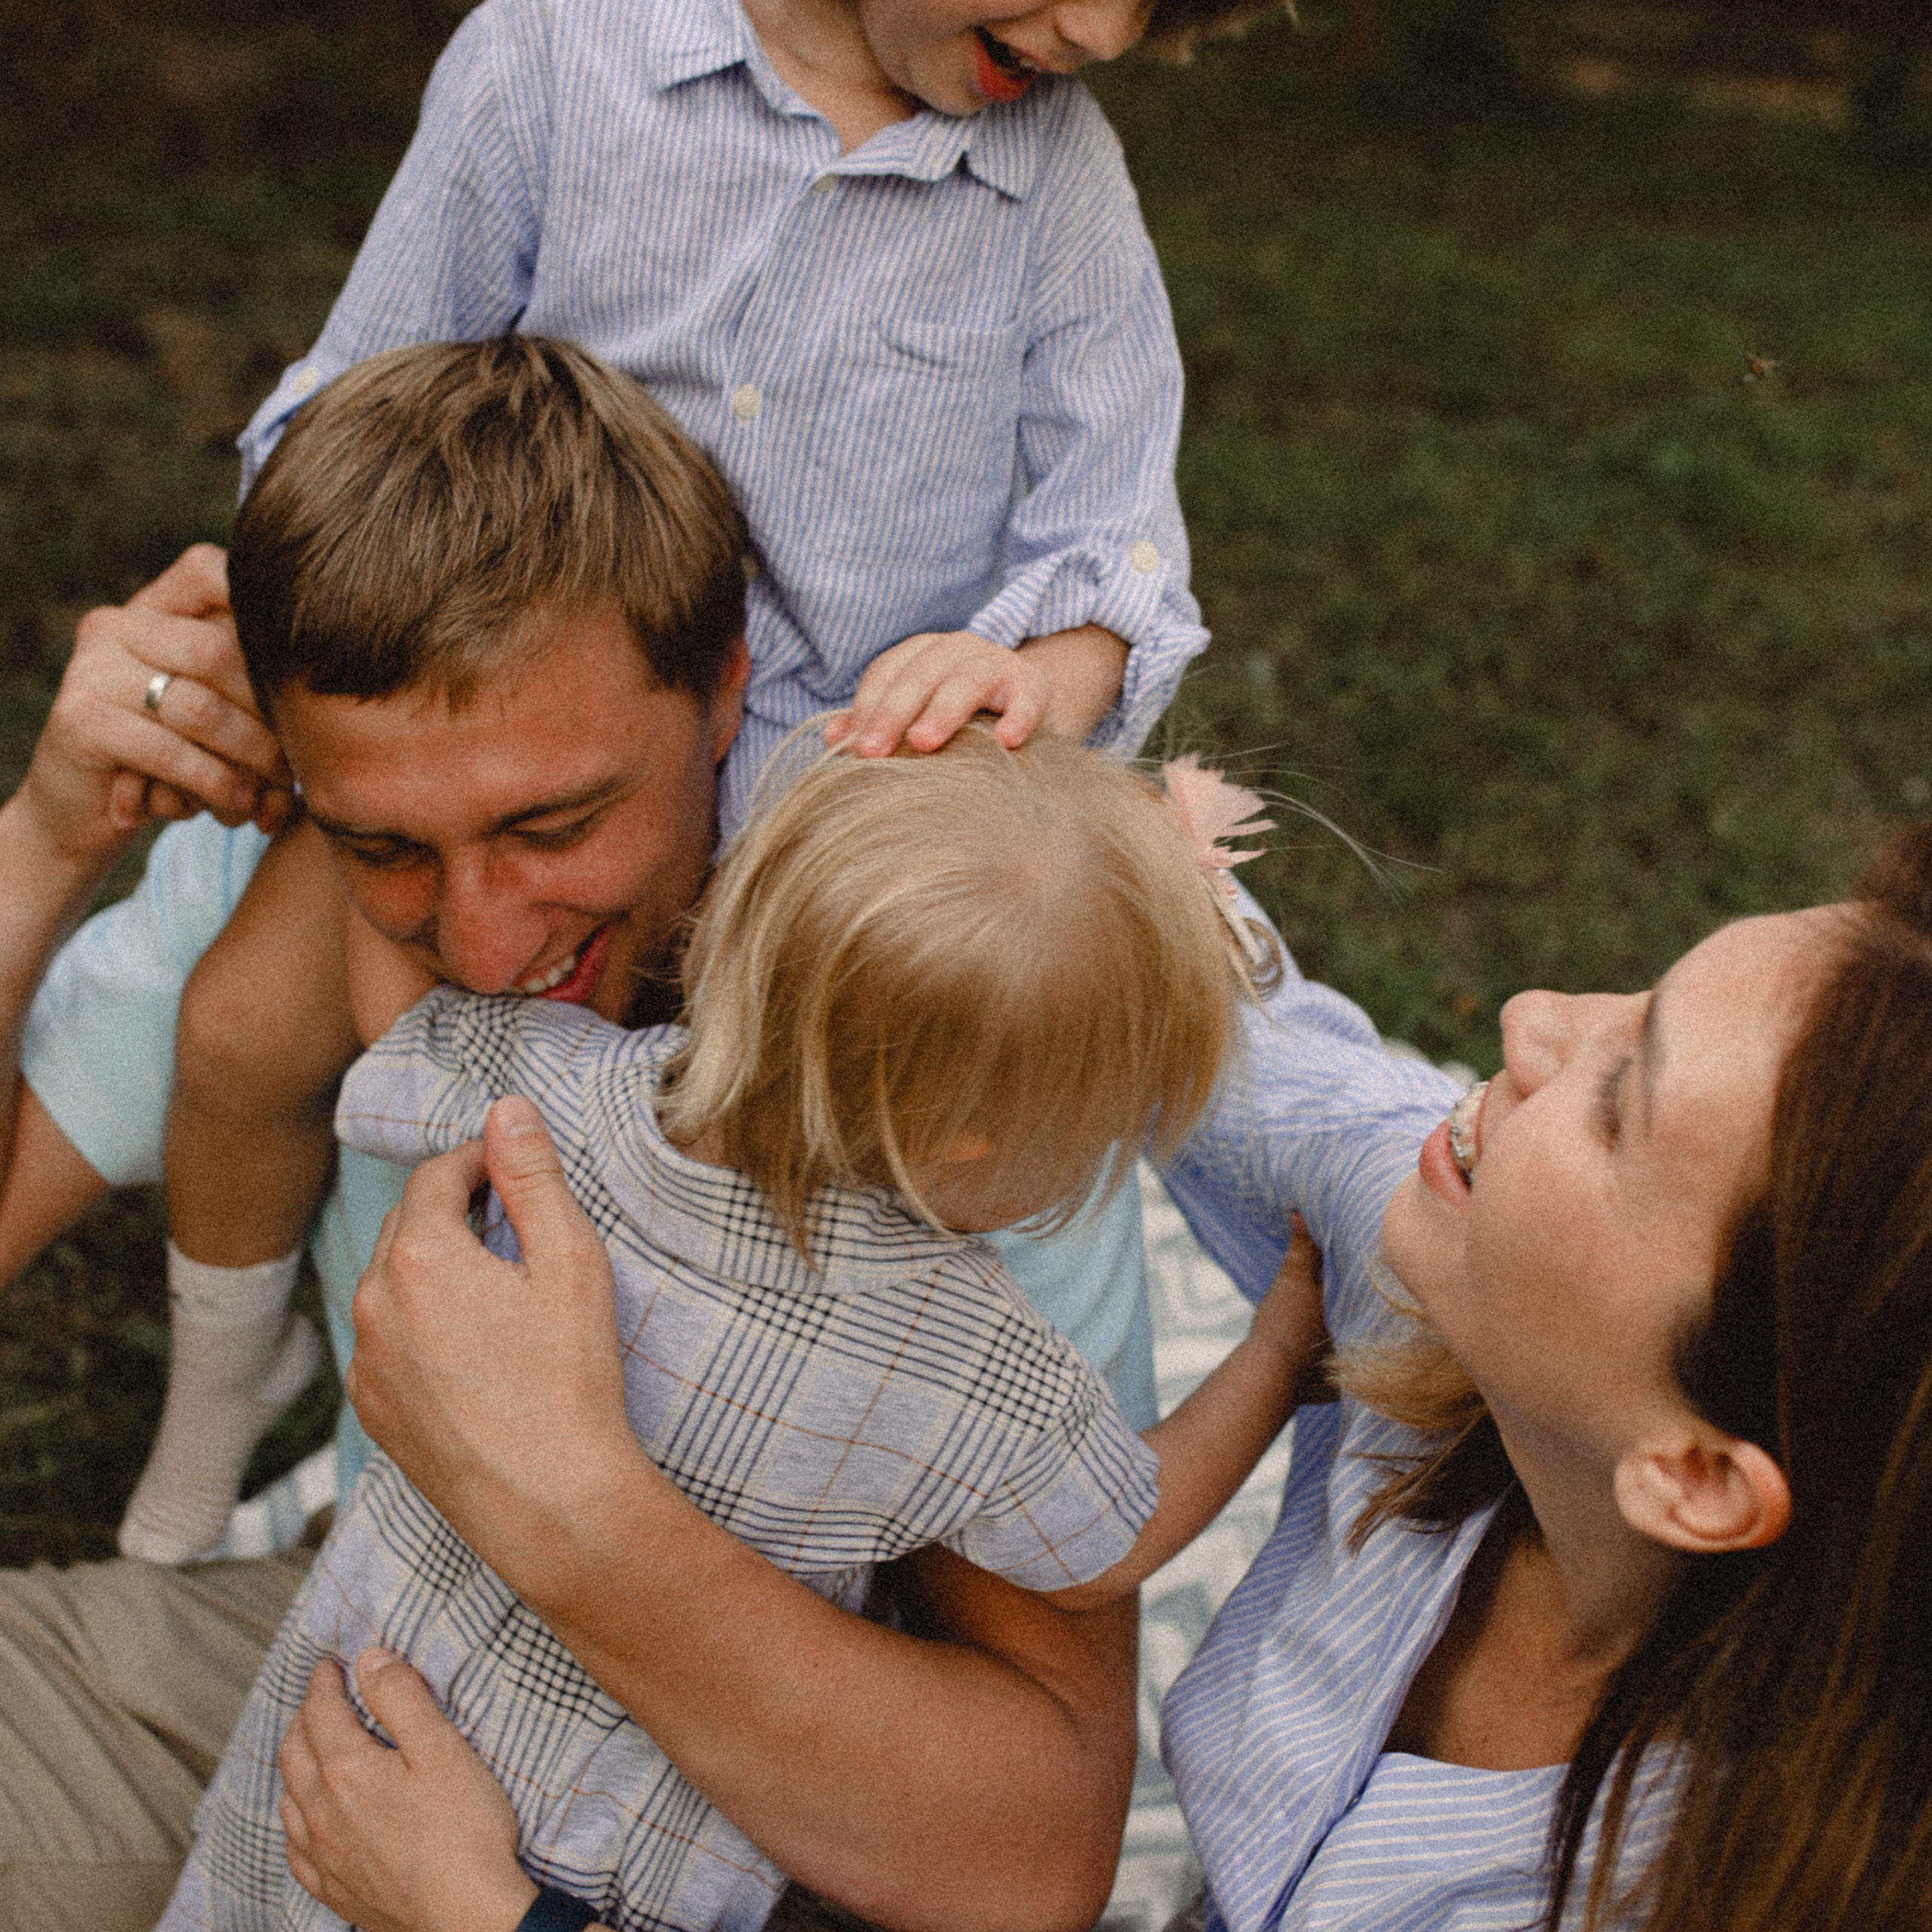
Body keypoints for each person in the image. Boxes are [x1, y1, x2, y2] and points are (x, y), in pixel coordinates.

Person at [0, 333, 1155, 1930]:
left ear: (727, 689)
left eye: (555, 825)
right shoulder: (302, 875)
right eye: (387, 846)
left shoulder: (925, 1036)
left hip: (730, 1811)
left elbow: (1034, 1850)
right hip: (363, 1631)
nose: (478, 941)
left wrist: (566, 1506)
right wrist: (39, 846)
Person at [118, 0, 1282, 1561]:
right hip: (511, 759)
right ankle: (220, 1404)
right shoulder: (553, 58)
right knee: (246, 1031)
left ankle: (763, 1535)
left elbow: (1114, 545)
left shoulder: (1051, 187)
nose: (1092, 27)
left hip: (805, 865)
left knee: (771, 1204)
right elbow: (352, 398)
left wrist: (1032, 680)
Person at [271, 838, 1932, 1932]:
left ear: (1697, 1475)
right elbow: (1230, 1027)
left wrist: (502, 1919)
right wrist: (1061, 783)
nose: (1530, 1017)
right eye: (1634, 994)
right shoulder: (1453, 1245)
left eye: (1623, 1096)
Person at [165, 725, 1320, 1932]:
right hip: (583, 1876)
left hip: (329, 1762)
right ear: (974, 1142)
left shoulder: (561, 1091)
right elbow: (1122, 1534)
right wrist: (1283, 1349)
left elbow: (392, 1026)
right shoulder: (972, 1363)